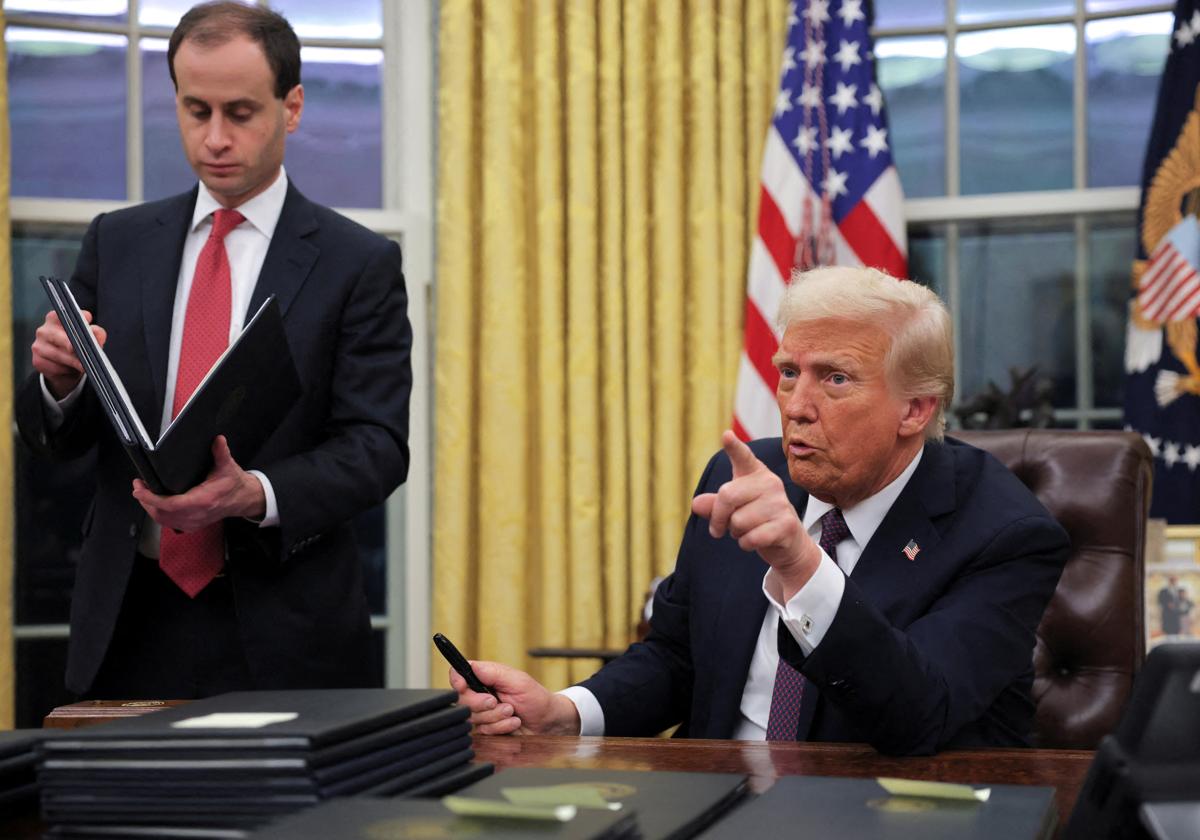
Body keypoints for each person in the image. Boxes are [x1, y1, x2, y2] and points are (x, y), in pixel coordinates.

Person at [452, 266, 1069, 756]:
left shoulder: (1005, 533)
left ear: (915, 410)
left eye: (835, 380)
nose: (796, 406)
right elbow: (677, 656)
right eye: (787, 372)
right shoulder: (744, 475)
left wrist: (801, 565)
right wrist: (564, 713)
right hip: (717, 801)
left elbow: (918, 717)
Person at [16, 1, 411, 699]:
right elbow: (56, 441)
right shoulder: (118, 242)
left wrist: (252, 494)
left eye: (241, 112)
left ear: (291, 108)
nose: (216, 138)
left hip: (284, 622)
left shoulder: (358, 263)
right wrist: (59, 384)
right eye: (196, 111)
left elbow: (378, 447)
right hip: (128, 613)